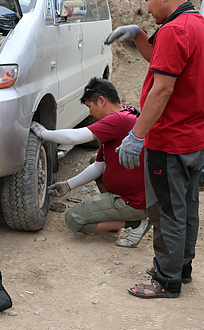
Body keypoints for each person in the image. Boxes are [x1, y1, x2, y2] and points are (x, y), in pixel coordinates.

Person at [106, 0, 204, 298]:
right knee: (186, 208)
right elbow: (163, 61)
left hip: (168, 141)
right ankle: (181, 268)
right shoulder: (200, 25)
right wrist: (140, 34)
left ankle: (166, 281)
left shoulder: (174, 30)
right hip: (193, 138)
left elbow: (162, 89)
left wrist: (137, 135)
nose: (147, 7)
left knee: (166, 211)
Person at [31, 77, 149, 248]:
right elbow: (99, 166)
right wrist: (67, 185)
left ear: (101, 101)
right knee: (96, 159)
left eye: (89, 107)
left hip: (135, 202)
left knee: (74, 219)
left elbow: (74, 137)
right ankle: (118, 217)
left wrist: (44, 133)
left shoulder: (117, 120)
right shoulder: (127, 114)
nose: (90, 113)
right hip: (140, 195)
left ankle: (134, 223)